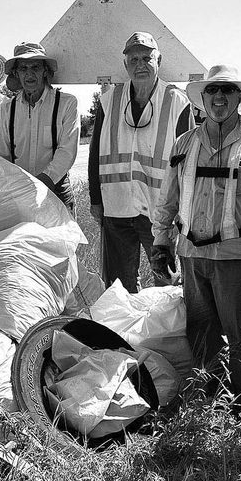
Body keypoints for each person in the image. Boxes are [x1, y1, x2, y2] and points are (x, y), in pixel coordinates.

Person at [152, 64, 241, 419]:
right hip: (191, 255)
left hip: (238, 256)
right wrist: (161, 242)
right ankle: (212, 400)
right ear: (203, 98)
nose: (219, 97)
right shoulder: (184, 144)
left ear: (240, 98)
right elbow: (168, 197)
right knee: (201, 330)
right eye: (213, 91)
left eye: (227, 90)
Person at [89, 31, 193, 292]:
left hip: (160, 211)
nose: (140, 65)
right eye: (133, 59)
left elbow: (189, 162)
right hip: (116, 206)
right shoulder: (110, 99)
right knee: (118, 286)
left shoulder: (177, 101)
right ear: (125, 65)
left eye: (147, 58)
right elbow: (94, 153)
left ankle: (166, 332)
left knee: (168, 282)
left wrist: (183, 210)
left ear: (159, 60)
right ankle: (123, 332)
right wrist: (95, 200)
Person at [0, 42, 80, 211]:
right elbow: (1, 155)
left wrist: (44, 182)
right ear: (16, 74)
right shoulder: (6, 109)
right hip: (19, 193)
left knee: (64, 238)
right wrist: (19, 186)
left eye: (35, 67)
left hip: (57, 190)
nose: (29, 74)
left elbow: (67, 151)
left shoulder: (67, 103)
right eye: (23, 68)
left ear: (45, 71)